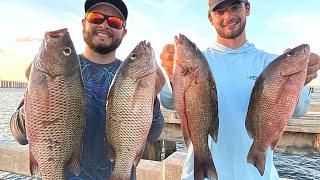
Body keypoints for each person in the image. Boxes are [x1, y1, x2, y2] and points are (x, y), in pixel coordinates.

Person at [159, 0, 320, 179]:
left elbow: (300, 109)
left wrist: (302, 80)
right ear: (210, 18)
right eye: (219, 11)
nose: (228, 16)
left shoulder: (271, 63)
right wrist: (171, 73)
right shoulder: (197, 62)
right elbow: (167, 102)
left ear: (247, 8)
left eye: (235, 7)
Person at [10, 0, 164, 179]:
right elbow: (18, 134)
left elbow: (154, 134)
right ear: (84, 23)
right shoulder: (63, 69)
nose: (104, 25)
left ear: (124, 31)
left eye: (114, 22)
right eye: (96, 18)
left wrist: (151, 98)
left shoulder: (131, 75)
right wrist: (38, 103)